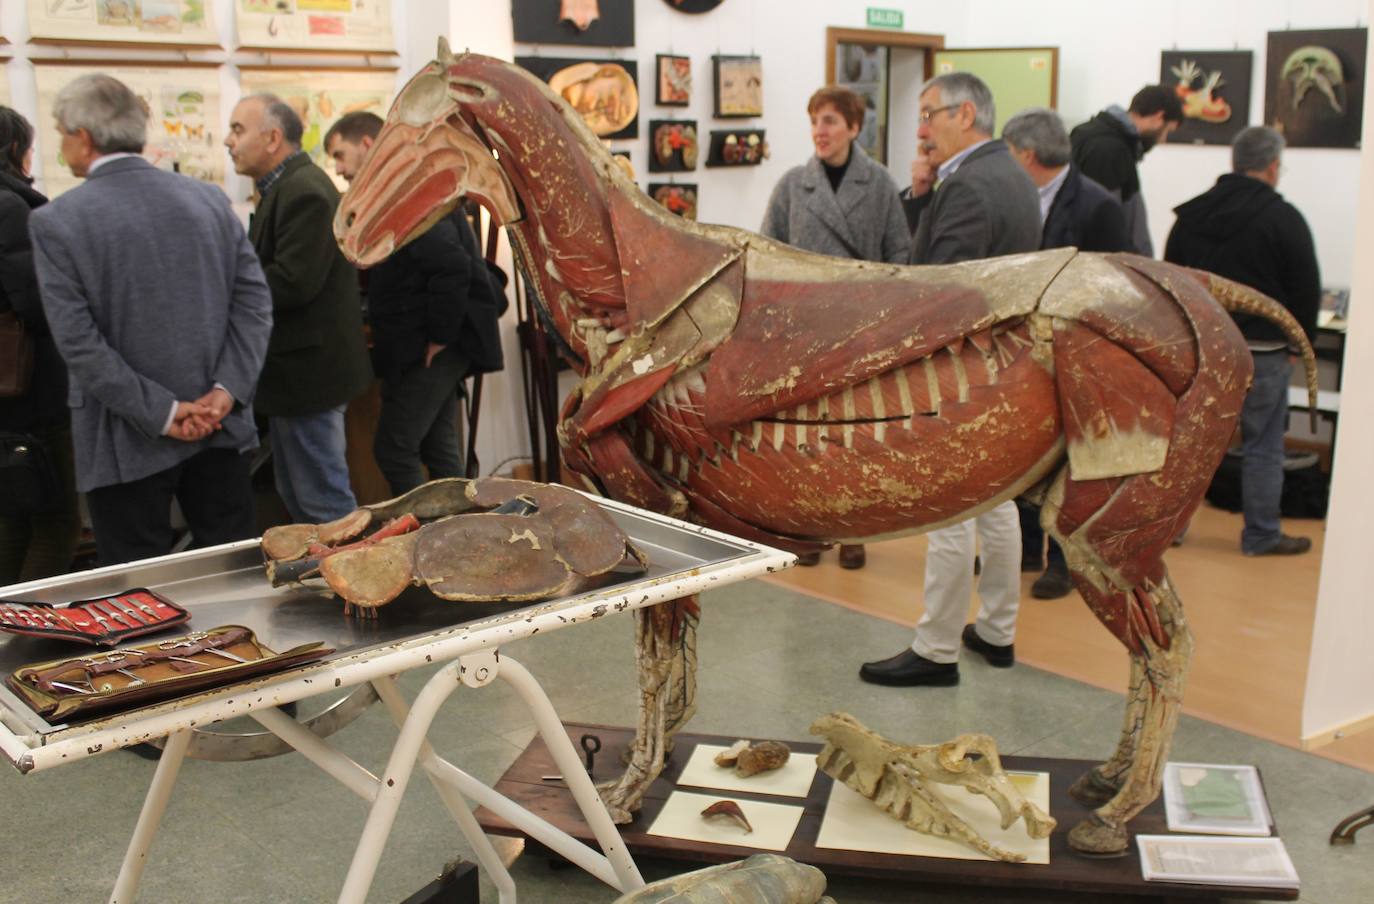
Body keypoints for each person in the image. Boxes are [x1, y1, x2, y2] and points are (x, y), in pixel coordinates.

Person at [27, 75, 272, 567]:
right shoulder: (207, 200)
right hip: (219, 424)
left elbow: (78, 342)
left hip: (124, 435)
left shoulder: (59, 221)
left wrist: (162, 412)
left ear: (84, 137)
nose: (60, 145)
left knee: (141, 595)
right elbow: (254, 305)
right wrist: (225, 392)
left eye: (60, 132)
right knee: (234, 577)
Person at [860, 72, 1040, 688]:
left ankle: (935, 647)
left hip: (959, 368)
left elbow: (940, 288)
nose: (922, 128)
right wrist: (919, 195)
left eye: (930, 113)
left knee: (948, 507)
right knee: (997, 502)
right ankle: (997, 630)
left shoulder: (969, 185)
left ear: (966, 113)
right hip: (1003, 361)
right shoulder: (1012, 174)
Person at [761, 84, 911, 571]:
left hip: (860, 330)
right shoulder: (791, 186)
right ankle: (807, 528)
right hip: (804, 331)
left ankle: (852, 530)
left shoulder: (881, 184)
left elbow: (899, 256)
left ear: (853, 127)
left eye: (829, 121)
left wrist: (883, 315)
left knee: (857, 436)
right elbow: (767, 255)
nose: (819, 132)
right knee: (806, 438)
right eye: (814, 121)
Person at [324, 112, 505, 495]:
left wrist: (439, 338)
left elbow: (451, 267)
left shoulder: (405, 193)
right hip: (430, 344)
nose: (338, 169)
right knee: (439, 451)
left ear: (368, 145)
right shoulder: (406, 187)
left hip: (433, 345)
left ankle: (433, 540)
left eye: (340, 155)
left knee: (394, 449)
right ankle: (459, 541)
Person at [1164, 126, 1319, 556]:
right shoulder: (1284, 218)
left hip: (1202, 350)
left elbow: (1172, 283)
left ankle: (1171, 529)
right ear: (1272, 167)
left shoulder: (1191, 215)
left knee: (1190, 443)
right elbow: (1305, 288)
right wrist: (1296, 345)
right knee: (1263, 446)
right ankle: (1261, 534)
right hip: (1264, 353)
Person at [1002, 107, 1132, 599]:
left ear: (1027, 155)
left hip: (1074, 353)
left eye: (1009, 153)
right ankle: (1019, 549)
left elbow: (1109, 286)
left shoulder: (1098, 205)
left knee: (1066, 466)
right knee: (1020, 455)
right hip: (1020, 353)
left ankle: (1060, 561)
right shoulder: (1013, 197)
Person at [225, 94, 372, 523]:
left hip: (310, 375)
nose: (228, 141)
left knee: (323, 502)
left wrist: (226, 286)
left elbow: (293, 283)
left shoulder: (304, 190)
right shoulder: (283, 188)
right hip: (298, 375)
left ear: (273, 138)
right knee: (300, 495)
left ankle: (351, 586)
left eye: (238, 130)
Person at [0, 107, 80, 582]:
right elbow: (37, 304)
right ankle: (23, 633)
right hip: (31, 394)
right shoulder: (12, 207)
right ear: (15, 150)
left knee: (13, 517)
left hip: (10, 397)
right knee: (56, 521)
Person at [1070, 85, 1183, 257]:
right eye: (1167, 131)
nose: (1163, 139)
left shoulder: (1093, 135)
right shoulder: (1110, 149)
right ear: (1159, 117)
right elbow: (1106, 222)